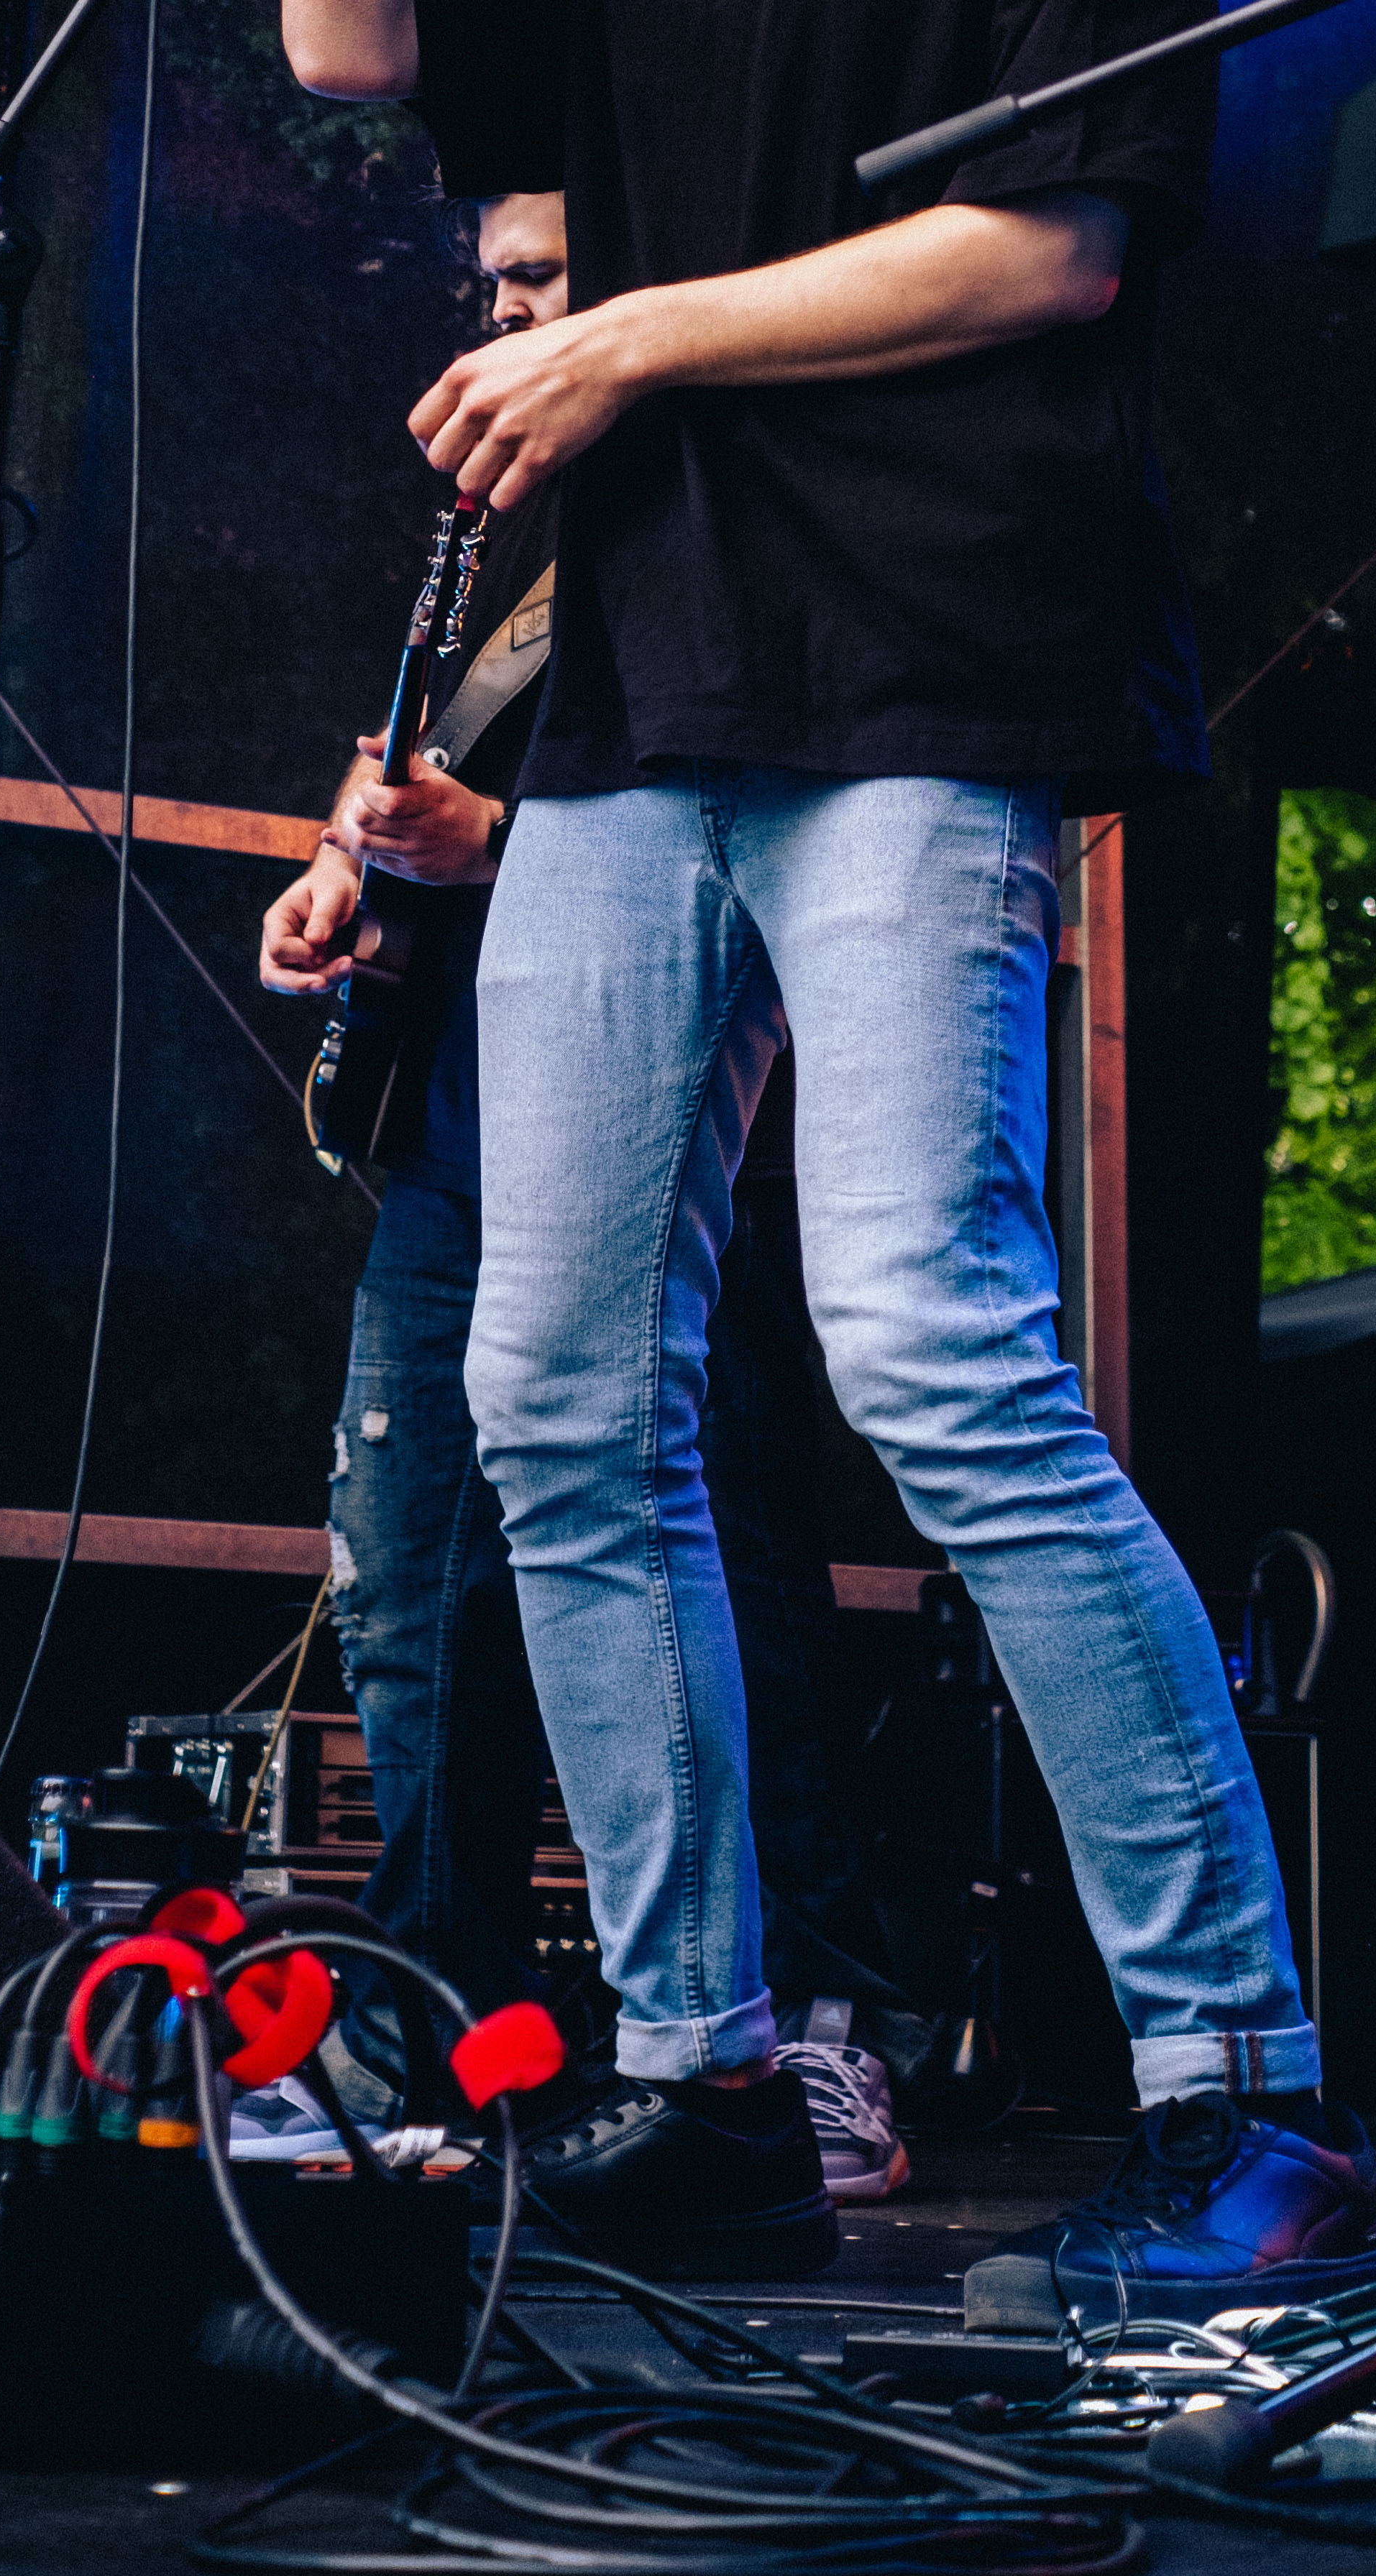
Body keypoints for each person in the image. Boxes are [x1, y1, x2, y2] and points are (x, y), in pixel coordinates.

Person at [275, 0, 1376, 2309]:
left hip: (920, 673)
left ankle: (1244, 2091)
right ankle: (706, 2068)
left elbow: (1050, 248)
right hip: (634, 716)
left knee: (925, 1341)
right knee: (545, 1395)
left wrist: (639, 335)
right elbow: (348, 37)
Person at [260, 189, 955, 2208]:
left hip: (663, 1134)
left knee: (719, 1566)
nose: (506, 316)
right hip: (457, 1134)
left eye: (544, 278)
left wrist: (497, 843)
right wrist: (349, 872)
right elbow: (422, 798)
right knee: (414, 1593)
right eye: (492, 283)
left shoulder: (740, 520)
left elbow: (759, 843)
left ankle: (814, 2033)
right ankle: (438, 2040)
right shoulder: (514, 571)